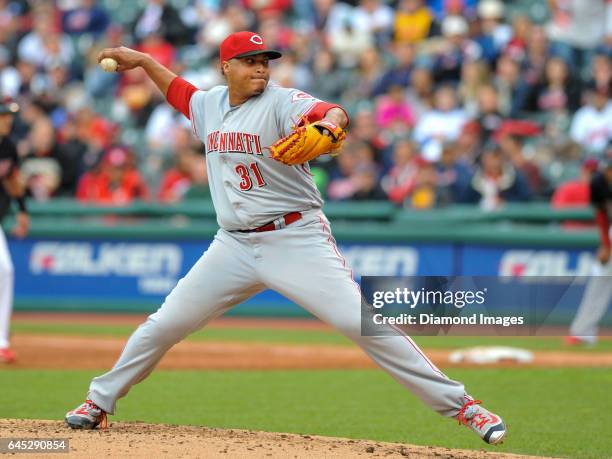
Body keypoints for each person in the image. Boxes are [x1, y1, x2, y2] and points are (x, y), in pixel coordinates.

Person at [64, 31, 506, 445]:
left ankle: (464, 406)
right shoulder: (210, 104)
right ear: (225, 68)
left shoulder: (281, 102)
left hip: (295, 237)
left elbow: (329, 111)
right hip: (233, 245)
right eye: (249, 61)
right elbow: (179, 91)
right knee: (164, 324)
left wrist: (332, 124)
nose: (260, 68)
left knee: (362, 323)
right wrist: (142, 60)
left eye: (265, 61)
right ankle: (99, 400)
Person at [565, 155, 612, 345]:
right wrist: (606, 245)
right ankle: (583, 332)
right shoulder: (599, 182)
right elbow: (601, 214)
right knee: (601, 275)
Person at [0, 100, 30, 364]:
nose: (7, 120)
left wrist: (22, 210)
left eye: (9, 116)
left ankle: (2, 341)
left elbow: (12, 179)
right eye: (4, 116)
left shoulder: (8, 145)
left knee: (5, 270)